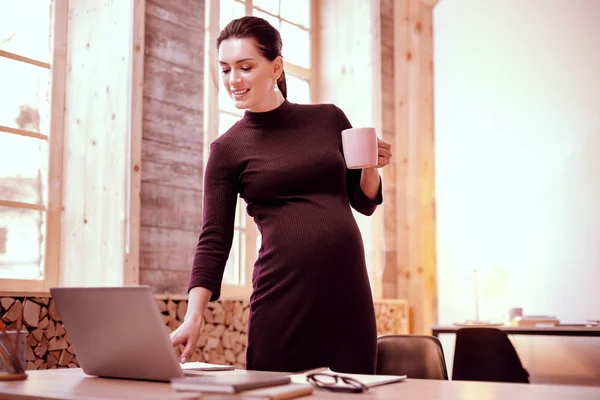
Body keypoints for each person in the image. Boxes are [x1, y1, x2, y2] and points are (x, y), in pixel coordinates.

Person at [170, 16, 393, 374]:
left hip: (348, 295)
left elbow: (364, 202)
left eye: (245, 67)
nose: (233, 80)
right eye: (225, 69)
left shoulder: (328, 119)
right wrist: (194, 315)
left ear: (276, 68)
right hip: (283, 299)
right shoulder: (226, 150)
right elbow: (214, 238)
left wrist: (370, 166)